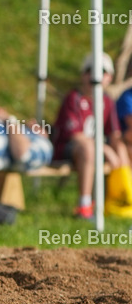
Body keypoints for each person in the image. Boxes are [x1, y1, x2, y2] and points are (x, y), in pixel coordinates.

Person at [51, 53, 132, 219]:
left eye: (102, 72)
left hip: (95, 149)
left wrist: (118, 152)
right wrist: (104, 148)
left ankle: (123, 199)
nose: (95, 76)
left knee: (122, 148)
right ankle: (84, 206)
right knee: (88, 149)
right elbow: (76, 135)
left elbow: (115, 133)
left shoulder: (107, 100)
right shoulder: (73, 98)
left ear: (109, 77)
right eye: (90, 70)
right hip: (69, 149)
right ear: (83, 74)